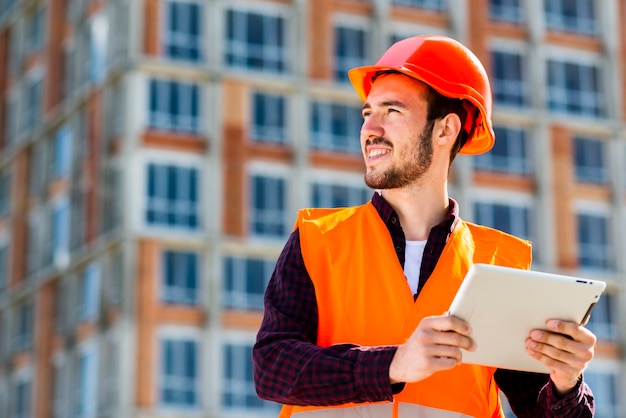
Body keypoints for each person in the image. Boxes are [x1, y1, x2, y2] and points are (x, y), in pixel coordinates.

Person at [253, 35, 596, 418]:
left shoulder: (501, 264)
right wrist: (392, 365)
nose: (370, 128)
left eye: (392, 111)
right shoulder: (318, 240)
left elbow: (542, 409)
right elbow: (272, 368)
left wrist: (567, 381)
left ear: (445, 129)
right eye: (367, 113)